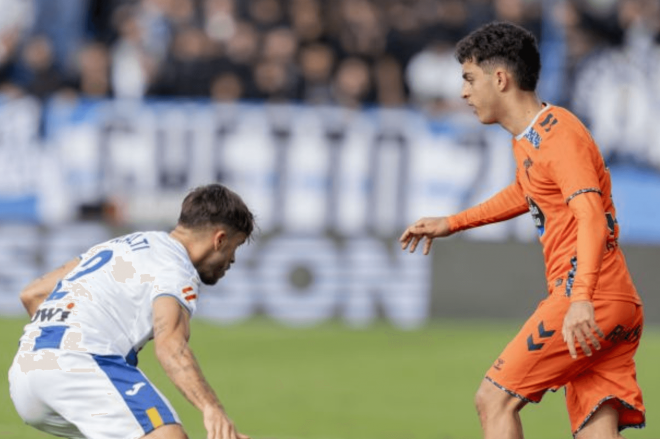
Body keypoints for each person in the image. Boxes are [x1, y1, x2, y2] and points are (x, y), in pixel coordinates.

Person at [400, 22, 644, 439]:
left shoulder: (559, 135)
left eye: (469, 79)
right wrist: (453, 222)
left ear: (500, 78)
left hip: (587, 296)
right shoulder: (535, 137)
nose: (463, 93)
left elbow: (589, 215)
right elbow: (526, 191)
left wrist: (581, 299)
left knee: (493, 399)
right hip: (612, 298)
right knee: (595, 429)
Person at [9, 184, 255, 439]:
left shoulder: (122, 245)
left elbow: (33, 293)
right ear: (220, 239)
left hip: (25, 376)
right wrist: (211, 408)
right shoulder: (176, 267)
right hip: (79, 361)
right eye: (235, 248)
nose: (232, 260)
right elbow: (171, 346)